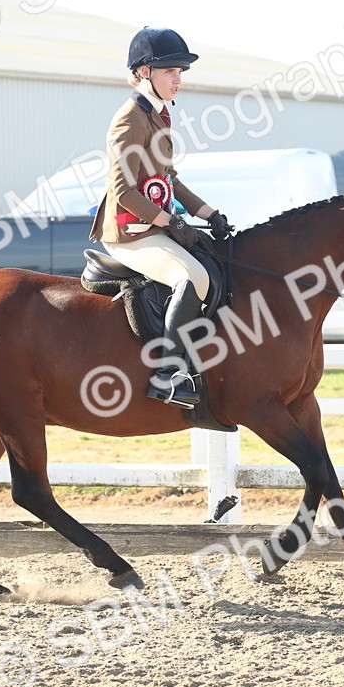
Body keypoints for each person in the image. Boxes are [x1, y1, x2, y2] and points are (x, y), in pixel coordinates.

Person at [89, 27, 233, 408]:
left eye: (180, 72)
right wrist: (171, 223)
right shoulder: (129, 119)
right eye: (170, 71)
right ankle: (167, 374)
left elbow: (170, 181)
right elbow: (123, 192)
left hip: (151, 226)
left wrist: (209, 214)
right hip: (128, 233)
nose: (178, 79)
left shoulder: (158, 116)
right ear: (143, 73)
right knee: (193, 276)